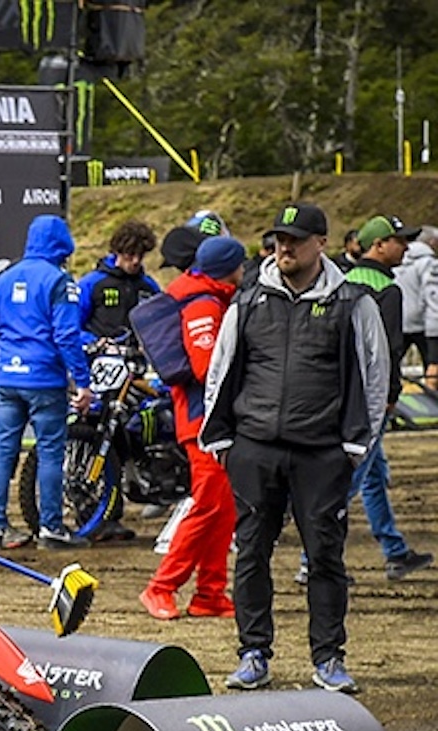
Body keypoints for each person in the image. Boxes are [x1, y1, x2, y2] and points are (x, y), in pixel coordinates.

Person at [201, 203, 389, 695]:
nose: (284, 247)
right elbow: (220, 370)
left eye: (296, 239)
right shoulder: (248, 300)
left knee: (325, 557)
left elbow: (375, 375)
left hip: (321, 453)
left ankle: (328, 659)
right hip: (255, 447)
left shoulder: (353, 302)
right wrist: (222, 439)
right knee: (251, 555)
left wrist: (355, 447)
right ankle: (253, 653)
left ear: (320, 243)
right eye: (280, 239)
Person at [140, 234, 246, 622]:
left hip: (209, 419)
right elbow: (206, 368)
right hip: (203, 421)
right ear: (230, 268)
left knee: (224, 506)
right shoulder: (204, 303)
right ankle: (161, 587)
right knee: (209, 504)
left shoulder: (207, 296)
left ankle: (210, 594)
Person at [0, 213, 93, 551]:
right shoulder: (60, 281)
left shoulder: (5, 278)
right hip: (44, 380)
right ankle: (51, 529)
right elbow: (67, 335)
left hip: (7, 378)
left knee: (1, 451)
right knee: (50, 452)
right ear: (63, 244)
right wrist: (82, 382)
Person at [335, 215, 433, 582]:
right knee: (351, 480)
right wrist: (391, 396)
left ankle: (394, 550)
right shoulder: (387, 290)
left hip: (344, 393)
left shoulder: (343, 281)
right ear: (379, 245)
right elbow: (390, 350)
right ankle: (313, 560)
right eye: (399, 241)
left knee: (374, 474)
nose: (405, 247)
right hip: (372, 400)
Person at [76, 221, 161, 338]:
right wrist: (93, 343)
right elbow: (73, 326)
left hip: (138, 353)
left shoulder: (149, 286)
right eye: (130, 254)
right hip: (101, 353)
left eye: (140, 255)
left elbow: (161, 325)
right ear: (117, 251)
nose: (136, 261)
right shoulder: (91, 283)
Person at [400, 225, 434, 372]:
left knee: (392, 363)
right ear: (432, 242)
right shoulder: (429, 263)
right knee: (431, 365)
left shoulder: (399, 260)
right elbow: (431, 293)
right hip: (422, 323)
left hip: (401, 319)